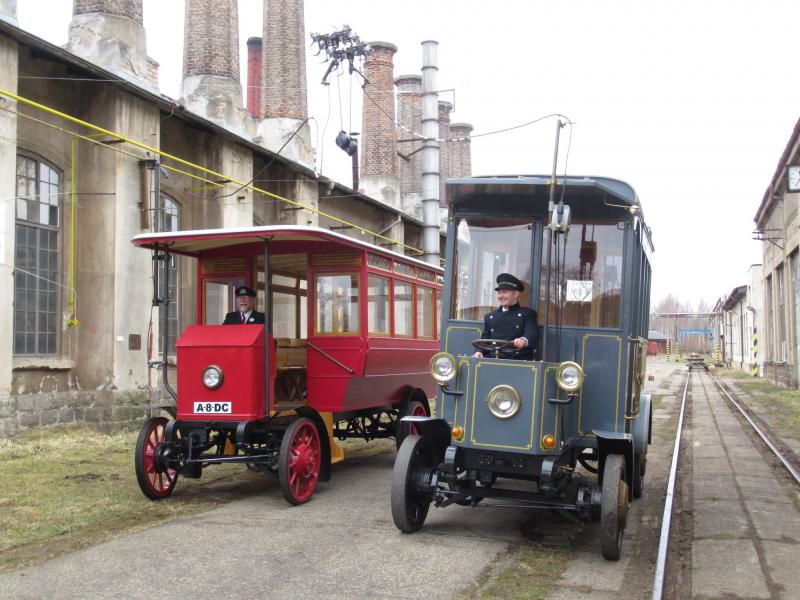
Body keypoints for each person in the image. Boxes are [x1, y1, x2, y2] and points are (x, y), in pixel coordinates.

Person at [473, 273, 538, 360]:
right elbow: (485, 339)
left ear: (516, 294)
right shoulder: (489, 317)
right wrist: (479, 351)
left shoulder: (527, 314)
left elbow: (532, 332)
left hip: (517, 361)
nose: (500, 296)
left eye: (504, 292)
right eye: (499, 293)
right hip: (492, 360)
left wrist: (523, 340)